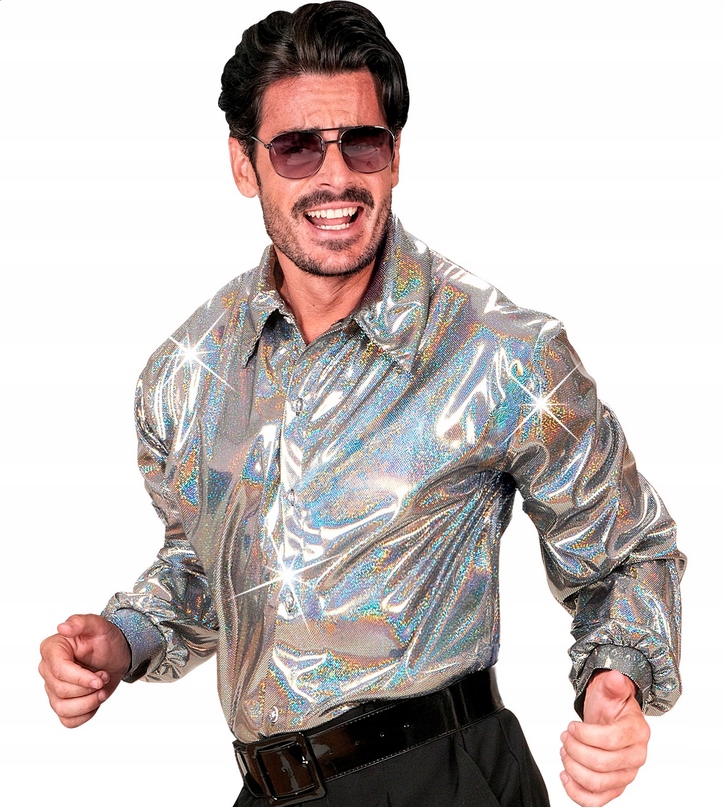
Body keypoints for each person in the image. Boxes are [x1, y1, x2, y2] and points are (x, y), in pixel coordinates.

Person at [38, 3, 685, 806]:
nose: (335, 176)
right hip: (270, 789)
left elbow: (628, 551)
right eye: (297, 147)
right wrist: (124, 639)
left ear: (395, 155)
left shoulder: (499, 352)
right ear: (244, 165)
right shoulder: (187, 376)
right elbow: (211, 568)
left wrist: (617, 682)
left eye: (362, 142)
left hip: (443, 780)